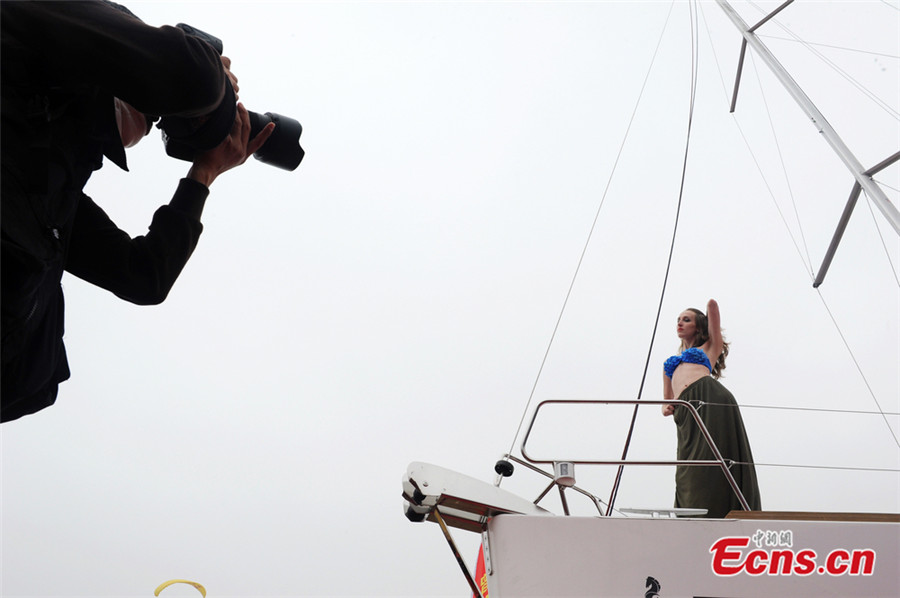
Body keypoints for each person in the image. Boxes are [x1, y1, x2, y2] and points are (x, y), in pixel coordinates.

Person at [1, 1, 275, 423]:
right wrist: (213, 81)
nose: (153, 123)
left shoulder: (49, 192)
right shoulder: (30, 28)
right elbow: (190, 74)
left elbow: (144, 277)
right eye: (152, 108)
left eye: (156, 119)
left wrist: (203, 173)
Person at [661, 299, 761, 517]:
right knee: (690, 465)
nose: (679, 323)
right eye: (678, 320)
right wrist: (667, 407)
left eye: (686, 320)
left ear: (698, 326)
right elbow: (666, 403)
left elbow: (713, 307)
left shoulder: (709, 347)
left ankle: (724, 506)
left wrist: (707, 311)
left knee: (712, 455)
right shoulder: (669, 364)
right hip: (686, 409)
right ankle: (694, 512)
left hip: (708, 396)